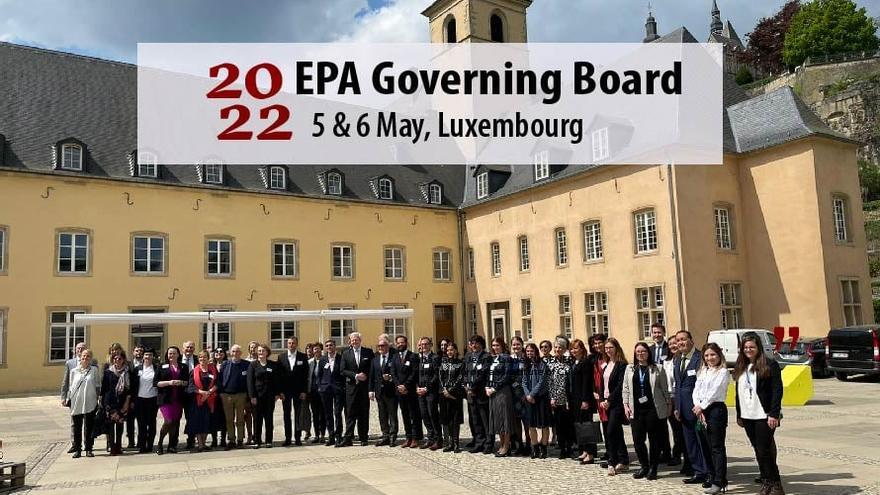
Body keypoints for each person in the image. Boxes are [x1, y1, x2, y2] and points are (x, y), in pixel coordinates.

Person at [734, 333, 784, 495]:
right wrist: (739, 414)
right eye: (746, 347)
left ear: (758, 348)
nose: (749, 350)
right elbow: (738, 392)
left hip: (764, 415)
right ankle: (766, 481)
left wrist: (774, 414)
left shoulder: (770, 364)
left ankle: (775, 484)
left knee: (764, 450)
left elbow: (777, 390)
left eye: (752, 347)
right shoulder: (741, 365)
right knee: (758, 450)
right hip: (748, 415)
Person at [622, 342, 671, 481]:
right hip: (636, 409)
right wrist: (625, 405)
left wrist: (668, 405)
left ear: (648, 353)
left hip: (653, 409)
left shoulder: (657, 368)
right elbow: (625, 388)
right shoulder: (630, 369)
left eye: (643, 351)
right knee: (638, 440)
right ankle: (644, 465)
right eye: (638, 352)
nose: (640, 354)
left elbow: (664, 388)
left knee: (654, 440)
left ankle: (653, 467)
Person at [673, 330, 710, 486]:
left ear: (691, 341)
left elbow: (705, 385)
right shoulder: (677, 360)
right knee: (691, 443)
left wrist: (701, 406)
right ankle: (698, 472)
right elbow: (678, 386)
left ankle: (710, 472)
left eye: (683, 339)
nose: (681, 343)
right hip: (683, 409)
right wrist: (677, 407)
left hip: (698, 409)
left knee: (703, 442)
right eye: (678, 340)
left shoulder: (700, 358)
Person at [693, 343, 732, 494]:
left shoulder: (723, 372)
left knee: (717, 447)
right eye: (707, 355)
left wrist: (701, 406)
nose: (710, 358)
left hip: (715, 410)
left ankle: (719, 481)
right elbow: (696, 389)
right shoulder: (703, 371)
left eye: (713, 355)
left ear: (719, 355)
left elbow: (715, 392)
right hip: (701, 411)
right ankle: (714, 476)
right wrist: (697, 405)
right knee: (707, 446)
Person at [599, 337, 630, 476]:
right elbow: (602, 384)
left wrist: (609, 400)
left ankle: (612, 461)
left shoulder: (622, 364)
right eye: (606, 348)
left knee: (611, 431)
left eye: (610, 347)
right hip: (606, 402)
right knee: (616, 431)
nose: (608, 350)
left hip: (616, 403)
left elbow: (619, 385)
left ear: (616, 348)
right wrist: (601, 399)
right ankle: (623, 460)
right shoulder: (606, 364)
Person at [63, 348, 100, 458]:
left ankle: (89, 448)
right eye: (83, 356)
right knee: (77, 427)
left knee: (89, 427)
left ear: (91, 358)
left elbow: (97, 385)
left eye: (88, 356)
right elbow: (71, 386)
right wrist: (67, 398)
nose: (85, 358)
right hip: (77, 402)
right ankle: (77, 449)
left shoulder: (94, 370)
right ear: (80, 357)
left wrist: (99, 399)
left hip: (90, 401)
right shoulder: (74, 371)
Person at [341, 332, 374, 446]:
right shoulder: (345, 353)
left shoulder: (368, 352)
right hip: (351, 389)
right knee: (350, 414)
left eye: (356, 339)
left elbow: (372, 369)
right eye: (352, 340)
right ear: (349, 341)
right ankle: (348, 438)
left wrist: (367, 378)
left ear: (360, 340)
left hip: (364, 389)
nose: (354, 342)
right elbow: (343, 370)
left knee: (364, 414)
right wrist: (355, 375)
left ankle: (363, 437)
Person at [248, 343, 283, 448]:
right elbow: (250, 381)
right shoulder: (253, 365)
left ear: (267, 353)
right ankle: (257, 441)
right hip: (257, 397)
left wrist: (277, 393)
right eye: (259, 351)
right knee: (257, 420)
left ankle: (268, 440)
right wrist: (252, 396)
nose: (260, 353)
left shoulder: (272, 365)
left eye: (263, 351)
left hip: (270, 396)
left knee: (268, 419)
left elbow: (276, 380)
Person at [155, 346, 188, 454]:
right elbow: (156, 383)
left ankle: (171, 446)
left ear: (178, 354)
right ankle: (160, 443)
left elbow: (187, 382)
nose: (171, 355)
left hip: (178, 399)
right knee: (168, 421)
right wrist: (169, 382)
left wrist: (181, 382)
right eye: (170, 353)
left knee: (175, 422)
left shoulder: (183, 366)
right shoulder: (161, 366)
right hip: (165, 399)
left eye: (174, 353)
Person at [463, 334, 492, 454]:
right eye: (472, 343)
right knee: (474, 419)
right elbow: (464, 372)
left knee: (485, 420)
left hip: (480, 393)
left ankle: (488, 443)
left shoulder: (486, 357)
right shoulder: (468, 356)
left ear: (481, 344)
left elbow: (483, 374)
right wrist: (466, 386)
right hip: (470, 393)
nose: (474, 345)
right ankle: (479, 442)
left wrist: (472, 387)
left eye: (476, 343)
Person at [393, 335, 423, 448]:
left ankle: (416, 437)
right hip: (400, 391)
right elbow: (393, 372)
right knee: (405, 414)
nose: (400, 344)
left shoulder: (413, 356)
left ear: (406, 343)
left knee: (414, 414)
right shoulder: (395, 357)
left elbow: (414, 373)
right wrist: (398, 385)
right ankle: (408, 437)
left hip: (410, 391)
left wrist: (405, 385)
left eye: (402, 342)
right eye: (398, 343)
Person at [277, 336, 308, 447]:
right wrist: (280, 391)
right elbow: (279, 376)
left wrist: (304, 391)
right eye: (289, 343)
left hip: (298, 391)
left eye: (293, 343)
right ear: (287, 344)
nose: (291, 345)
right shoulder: (281, 357)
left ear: (297, 344)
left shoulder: (303, 357)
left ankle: (298, 437)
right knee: (286, 415)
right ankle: (288, 438)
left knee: (298, 415)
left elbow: (305, 376)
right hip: (285, 392)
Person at [186, 350, 219, 452]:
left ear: (208, 358)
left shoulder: (213, 370)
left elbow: (218, 383)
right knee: (198, 422)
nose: (202, 359)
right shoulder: (194, 371)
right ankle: (200, 444)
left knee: (207, 422)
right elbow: (190, 387)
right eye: (200, 357)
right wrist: (202, 393)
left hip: (210, 400)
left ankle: (204, 443)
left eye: (204, 357)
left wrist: (208, 392)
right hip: (198, 401)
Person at [521, 342, 550, 459]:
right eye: (527, 351)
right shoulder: (525, 365)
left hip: (541, 397)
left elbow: (542, 381)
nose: (529, 353)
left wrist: (532, 394)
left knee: (544, 425)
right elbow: (524, 382)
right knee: (531, 425)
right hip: (529, 399)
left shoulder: (542, 364)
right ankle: (535, 448)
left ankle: (544, 448)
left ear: (535, 352)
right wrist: (528, 395)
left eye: (531, 351)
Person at [486, 336, 514, 457]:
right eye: (493, 345)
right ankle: (502, 444)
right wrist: (487, 387)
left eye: (497, 345)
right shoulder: (493, 358)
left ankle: (506, 446)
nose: (495, 348)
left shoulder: (506, 358)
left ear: (502, 346)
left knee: (505, 419)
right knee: (498, 419)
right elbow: (489, 375)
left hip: (502, 392)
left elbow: (506, 376)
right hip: (492, 392)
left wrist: (494, 388)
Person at [663, 335, 688, 471]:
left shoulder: (682, 360)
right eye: (671, 344)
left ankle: (681, 454)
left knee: (681, 429)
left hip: (679, 397)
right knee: (675, 429)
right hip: (669, 398)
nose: (673, 346)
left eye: (675, 343)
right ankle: (677, 454)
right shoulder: (666, 361)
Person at [547, 337, 574, 460]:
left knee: (569, 424)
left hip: (567, 398)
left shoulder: (569, 361)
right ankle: (562, 448)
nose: (558, 349)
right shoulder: (550, 362)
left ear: (564, 349)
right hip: (556, 398)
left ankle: (570, 447)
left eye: (560, 347)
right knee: (559, 425)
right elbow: (549, 382)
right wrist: (552, 397)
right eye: (556, 347)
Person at [101, 350, 132, 456]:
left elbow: (129, 390)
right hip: (110, 402)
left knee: (120, 424)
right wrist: (104, 403)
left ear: (123, 360)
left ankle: (118, 446)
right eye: (115, 358)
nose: (117, 360)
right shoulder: (108, 372)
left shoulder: (127, 372)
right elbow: (104, 388)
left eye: (119, 358)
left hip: (122, 402)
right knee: (110, 425)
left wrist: (127, 402)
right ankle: (112, 447)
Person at [219, 344, 250, 450]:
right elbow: (220, 379)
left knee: (240, 419)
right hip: (227, 395)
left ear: (241, 353)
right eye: (233, 351)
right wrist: (222, 393)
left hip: (241, 395)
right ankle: (231, 440)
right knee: (229, 419)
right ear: (230, 353)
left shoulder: (247, 364)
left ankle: (240, 440)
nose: (235, 353)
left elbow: (249, 381)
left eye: (237, 351)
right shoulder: (225, 364)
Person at [575, 337, 600, 464]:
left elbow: (586, 383)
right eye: (572, 348)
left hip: (584, 399)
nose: (574, 350)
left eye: (576, 348)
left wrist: (585, 400)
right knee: (581, 426)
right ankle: (584, 450)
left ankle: (590, 453)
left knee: (587, 426)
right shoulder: (576, 362)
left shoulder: (585, 362)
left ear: (582, 349)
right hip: (577, 399)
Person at [370, 335, 399, 446]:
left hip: (391, 391)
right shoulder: (375, 359)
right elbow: (372, 376)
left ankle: (392, 436)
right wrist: (371, 390)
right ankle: (385, 435)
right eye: (379, 346)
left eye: (383, 345)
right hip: (379, 392)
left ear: (388, 346)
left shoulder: (394, 357)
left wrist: (390, 377)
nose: (380, 348)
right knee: (382, 415)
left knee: (392, 414)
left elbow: (397, 373)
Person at [318, 339, 345, 447]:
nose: (329, 347)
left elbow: (343, 373)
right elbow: (319, 375)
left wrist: (342, 387)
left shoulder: (340, 358)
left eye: (331, 345)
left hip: (338, 389)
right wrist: (320, 387)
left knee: (337, 413)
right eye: (327, 346)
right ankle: (331, 436)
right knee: (328, 414)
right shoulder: (322, 359)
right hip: (326, 390)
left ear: (335, 346)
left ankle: (339, 436)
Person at [416, 336, 442, 450]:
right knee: (424, 415)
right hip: (420, 392)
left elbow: (436, 375)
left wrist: (427, 388)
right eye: (422, 344)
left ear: (430, 345)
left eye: (426, 344)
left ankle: (438, 439)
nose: (423, 346)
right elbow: (417, 375)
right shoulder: (420, 358)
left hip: (431, 392)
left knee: (433, 414)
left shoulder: (435, 358)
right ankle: (430, 438)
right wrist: (417, 387)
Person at [438, 341, 465, 453]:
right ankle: (449, 443)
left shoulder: (460, 363)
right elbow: (440, 377)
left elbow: (460, 378)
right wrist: (445, 389)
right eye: (448, 350)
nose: (449, 352)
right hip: (444, 394)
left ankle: (456, 443)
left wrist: (450, 390)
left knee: (455, 419)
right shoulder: (443, 363)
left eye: (451, 350)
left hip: (455, 394)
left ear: (456, 351)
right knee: (446, 419)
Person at [131, 348, 159, 454]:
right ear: (143, 356)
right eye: (146, 355)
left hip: (152, 400)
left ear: (153, 357)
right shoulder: (137, 369)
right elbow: (133, 386)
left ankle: (150, 445)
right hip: (140, 400)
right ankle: (142, 446)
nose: (148, 357)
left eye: (150, 355)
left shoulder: (157, 368)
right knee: (141, 424)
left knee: (151, 423)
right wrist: (133, 400)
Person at [589, 333, 609, 461]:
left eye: (599, 343)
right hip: (598, 396)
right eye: (595, 343)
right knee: (605, 425)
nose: (597, 346)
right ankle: (609, 450)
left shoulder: (610, 357)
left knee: (611, 425)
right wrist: (593, 391)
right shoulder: (595, 358)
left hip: (608, 396)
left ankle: (615, 452)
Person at [509, 336, 530, 457]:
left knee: (526, 421)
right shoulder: (510, 360)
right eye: (514, 345)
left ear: (522, 345)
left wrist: (525, 391)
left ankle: (528, 444)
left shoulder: (526, 359)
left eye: (518, 344)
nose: (516, 347)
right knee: (516, 421)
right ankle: (519, 445)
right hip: (513, 394)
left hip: (525, 394)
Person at [307, 341, 327, 444]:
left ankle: (323, 434)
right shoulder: (310, 362)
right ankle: (316, 434)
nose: (317, 351)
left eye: (318, 349)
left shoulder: (325, 361)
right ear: (313, 351)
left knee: (323, 413)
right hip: (313, 391)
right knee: (315, 413)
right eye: (315, 349)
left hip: (323, 391)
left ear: (321, 350)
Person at [180, 340, 197, 449]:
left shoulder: (197, 359)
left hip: (192, 393)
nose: (189, 349)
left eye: (191, 347)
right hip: (177, 392)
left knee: (191, 417)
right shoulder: (176, 359)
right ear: (183, 348)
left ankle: (191, 440)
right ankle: (173, 441)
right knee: (175, 418)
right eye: (187, 347)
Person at [300, 343, 314, 442]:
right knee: (305, 412)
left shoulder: (317, 360)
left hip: (314, 390)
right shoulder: (303, 360)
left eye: (311, 349)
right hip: (305, 390)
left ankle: (320, 431)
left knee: (316, 411)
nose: (309, 351)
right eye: (307, 349)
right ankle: (307, 430)